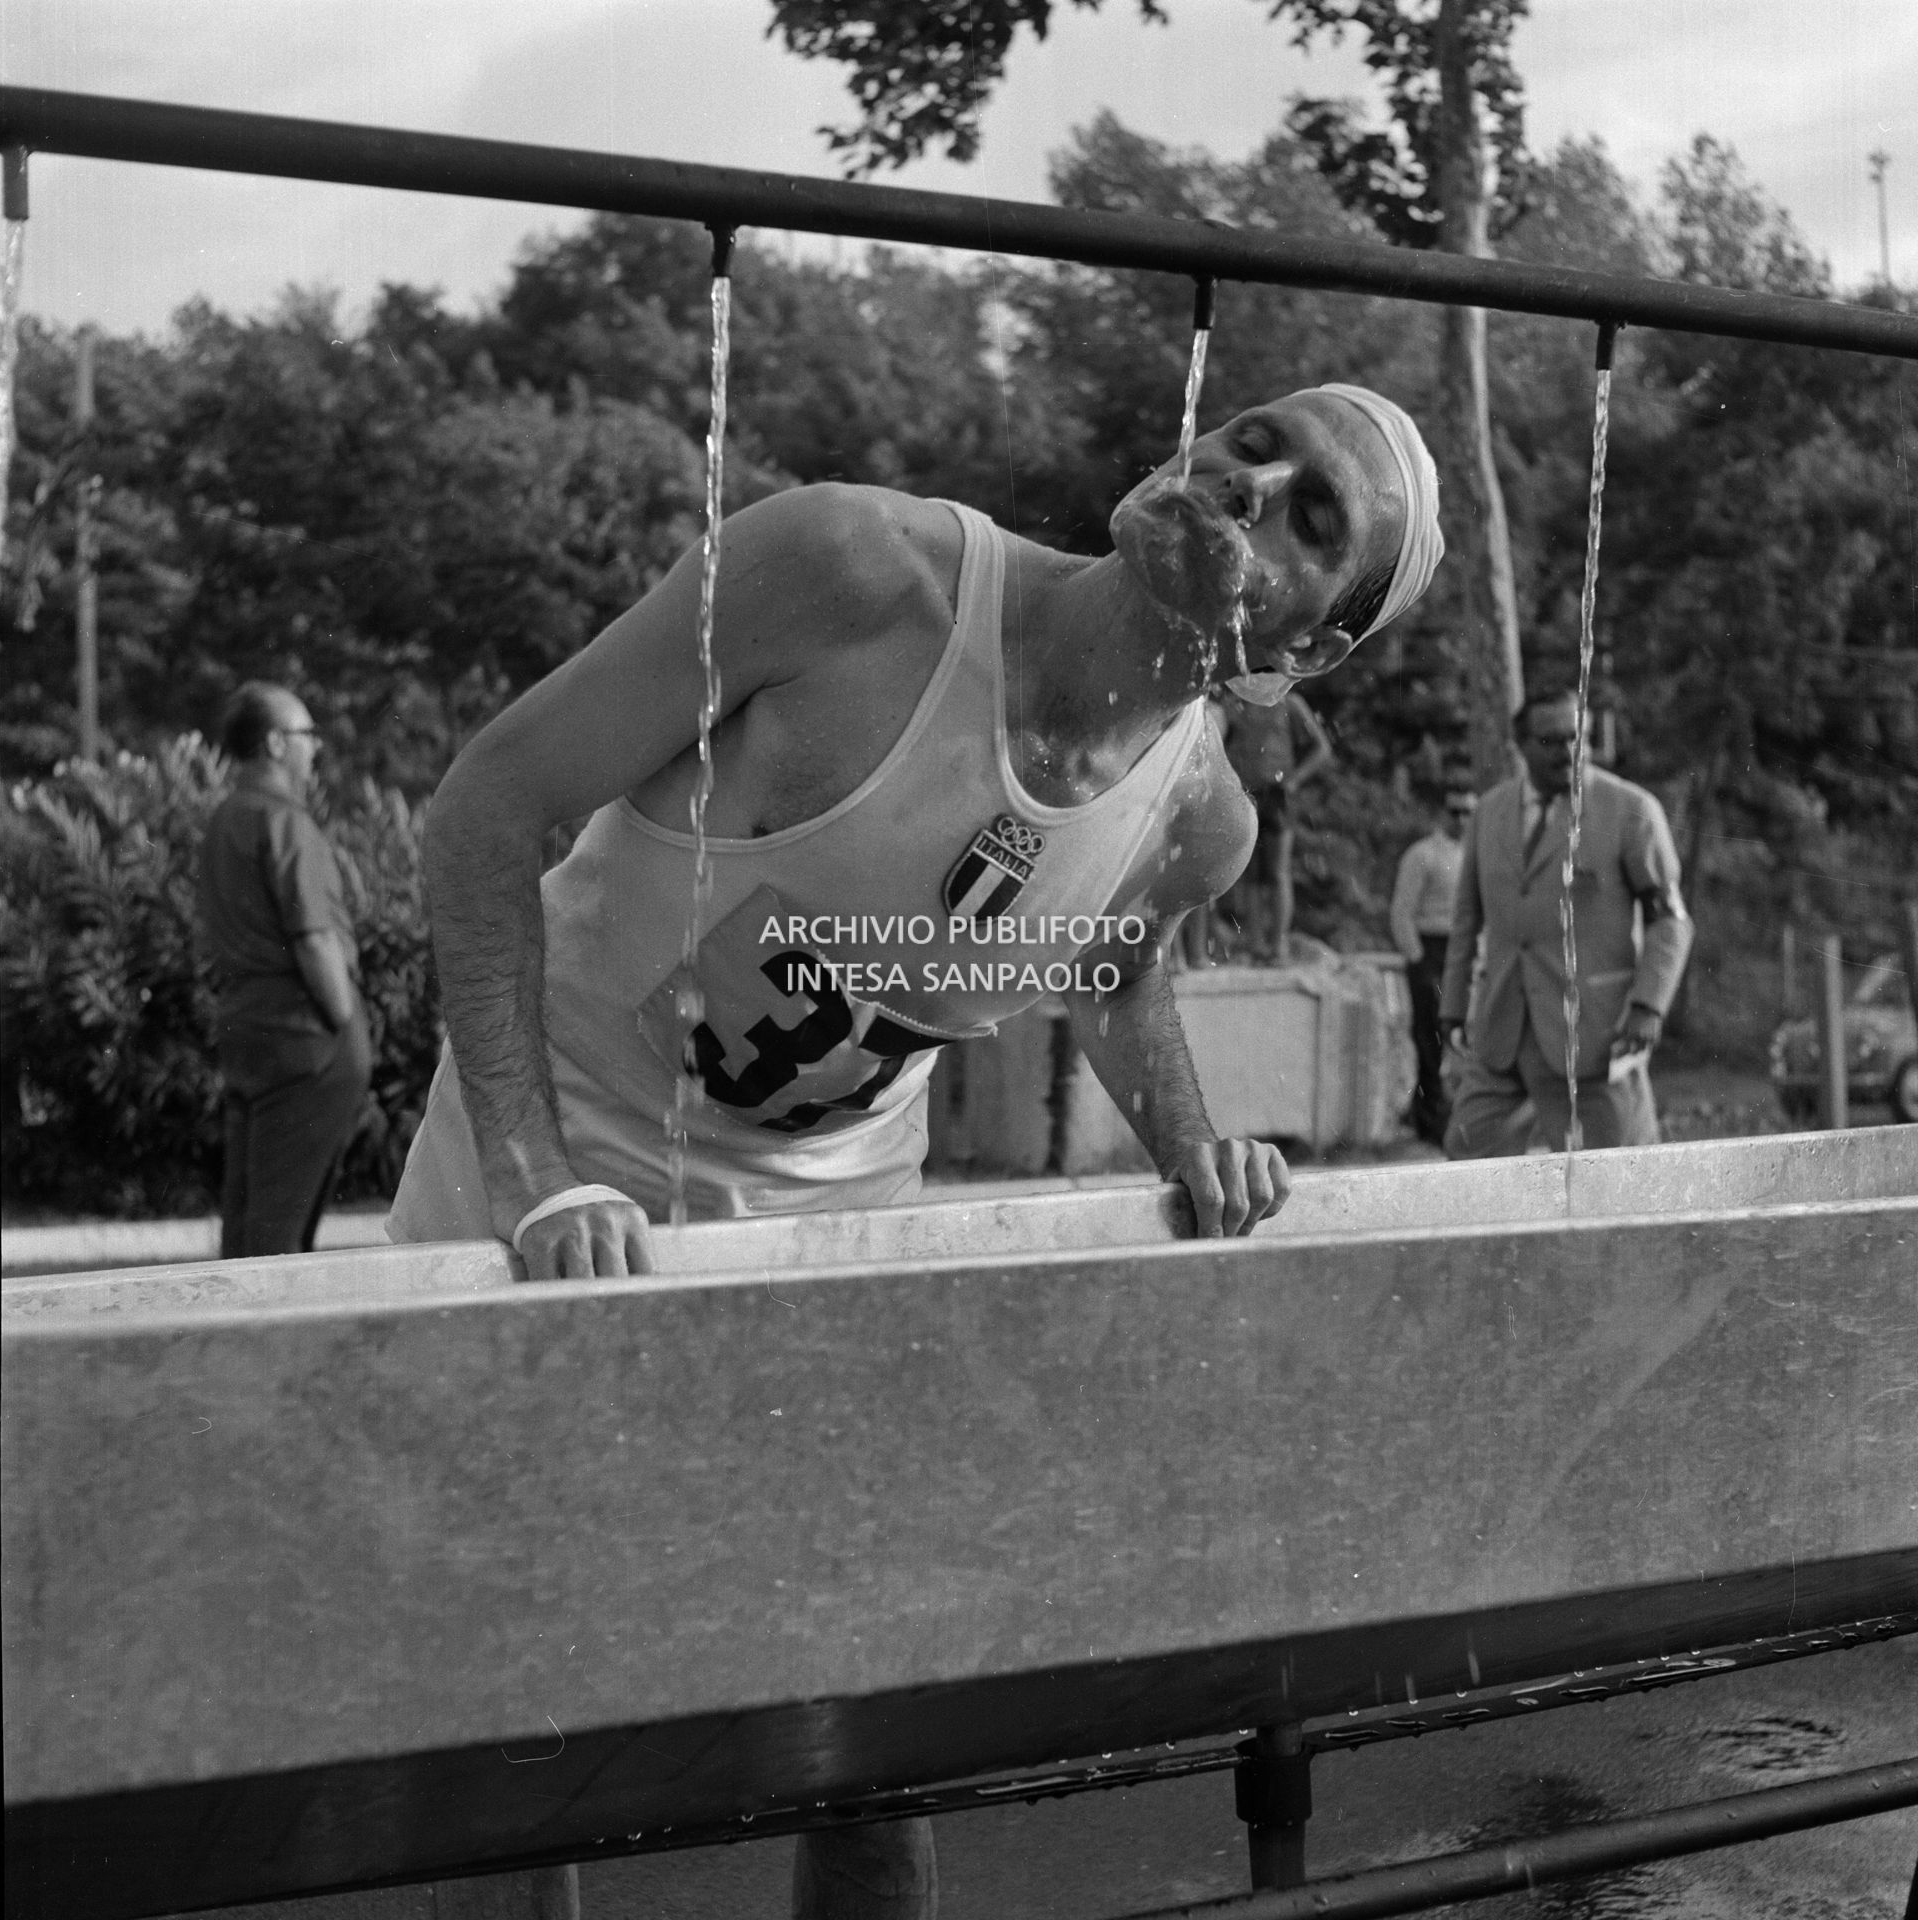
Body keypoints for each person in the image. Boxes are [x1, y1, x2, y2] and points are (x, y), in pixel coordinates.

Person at [391, 383, 1444, 1920]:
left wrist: (1195, 1142)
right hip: (566, 1137)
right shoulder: (851, 572)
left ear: (1305, 650)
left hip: (835, 1215)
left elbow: (1116, 961)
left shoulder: (1200, 819)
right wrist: (534, 1172)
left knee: (874, 1742)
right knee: (515, 1717)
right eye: (1257, 441)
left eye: (1312, 516)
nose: (1250, 482)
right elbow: (484, 810)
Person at [1440, 688, 1692, 1157]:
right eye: (1551, 741)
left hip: (1594, 1036)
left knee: (1622, 1174)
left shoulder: (1631, 810)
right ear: (1521, 745)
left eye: (1579, 737)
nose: (1569, 751)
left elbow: (1670, 923)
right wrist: (1453, 1006)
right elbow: (1466, 921)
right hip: (1503, 1030)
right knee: (1466, 1156)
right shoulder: (1488, 814)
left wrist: (1649, 1007)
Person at [197, 681, 371, 1257]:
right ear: (275, 744)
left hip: (248, 1035)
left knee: (246, 1225)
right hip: (309, 1044)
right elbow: (315, 938)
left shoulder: (224, 820)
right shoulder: (285, 822)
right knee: (279, 1241)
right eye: (305, 735)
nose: (314, 748)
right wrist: (344, 1019)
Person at [1209, 685, 1332, 962]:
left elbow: (1321, 748)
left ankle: (1279, 943)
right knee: (1249, 871)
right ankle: (1255, 942)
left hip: (1277, 795)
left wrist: (1296, 779)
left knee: (1277, 870)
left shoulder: (1290, 703)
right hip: (1245, 793)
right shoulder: (1236, 703)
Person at [1389, 769, 1476, 1142]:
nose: (1461, 820)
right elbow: (1401, 912)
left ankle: (1457, 1114)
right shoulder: (1423, 854)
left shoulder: (1476, 855)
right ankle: (1428, 1122)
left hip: (1463, 952)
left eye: (1467, 812)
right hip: (1429, 951)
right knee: (1429, 1038)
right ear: (1443, 813)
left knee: (1464, 1037)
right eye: (1454, 812)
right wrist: (1417, 959)